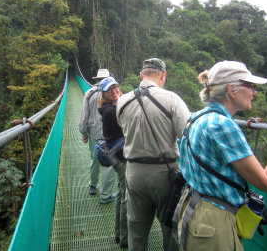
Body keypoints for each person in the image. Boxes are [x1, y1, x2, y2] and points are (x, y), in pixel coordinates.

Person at [176, 60, 267, 251]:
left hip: (192, 207)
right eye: (250, 86)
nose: (254, 92)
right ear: (232, 90)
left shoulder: (196, 117)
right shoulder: (222, 125)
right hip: (214, 220)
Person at [116, 58, 191, 251]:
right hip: (165, 174)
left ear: (141, 75)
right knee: (169, 226)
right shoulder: (172, 99)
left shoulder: (122, 101)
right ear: (163, 76)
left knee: (136, 227)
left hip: (133, 172)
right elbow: (188, 134)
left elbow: (123, 129)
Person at [97, 76, 128, 249]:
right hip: (121, 158)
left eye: (116, 87)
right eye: (110, 90)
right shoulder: (110, 111)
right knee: (125, 197)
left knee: (121, 194)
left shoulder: (110, 107)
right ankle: (124, 238)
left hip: (116, 156)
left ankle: (118, 233)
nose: (115, 91)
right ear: (105, 94)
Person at [79, 69, 116, 204]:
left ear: (96, 80)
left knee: (94, 158)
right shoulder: (113, 93)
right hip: (110, 135)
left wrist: (84, 133)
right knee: (109, 164)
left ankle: (93, 186)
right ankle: (106, 195)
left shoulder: (89, 93)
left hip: (94, 133)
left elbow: (84, 117)